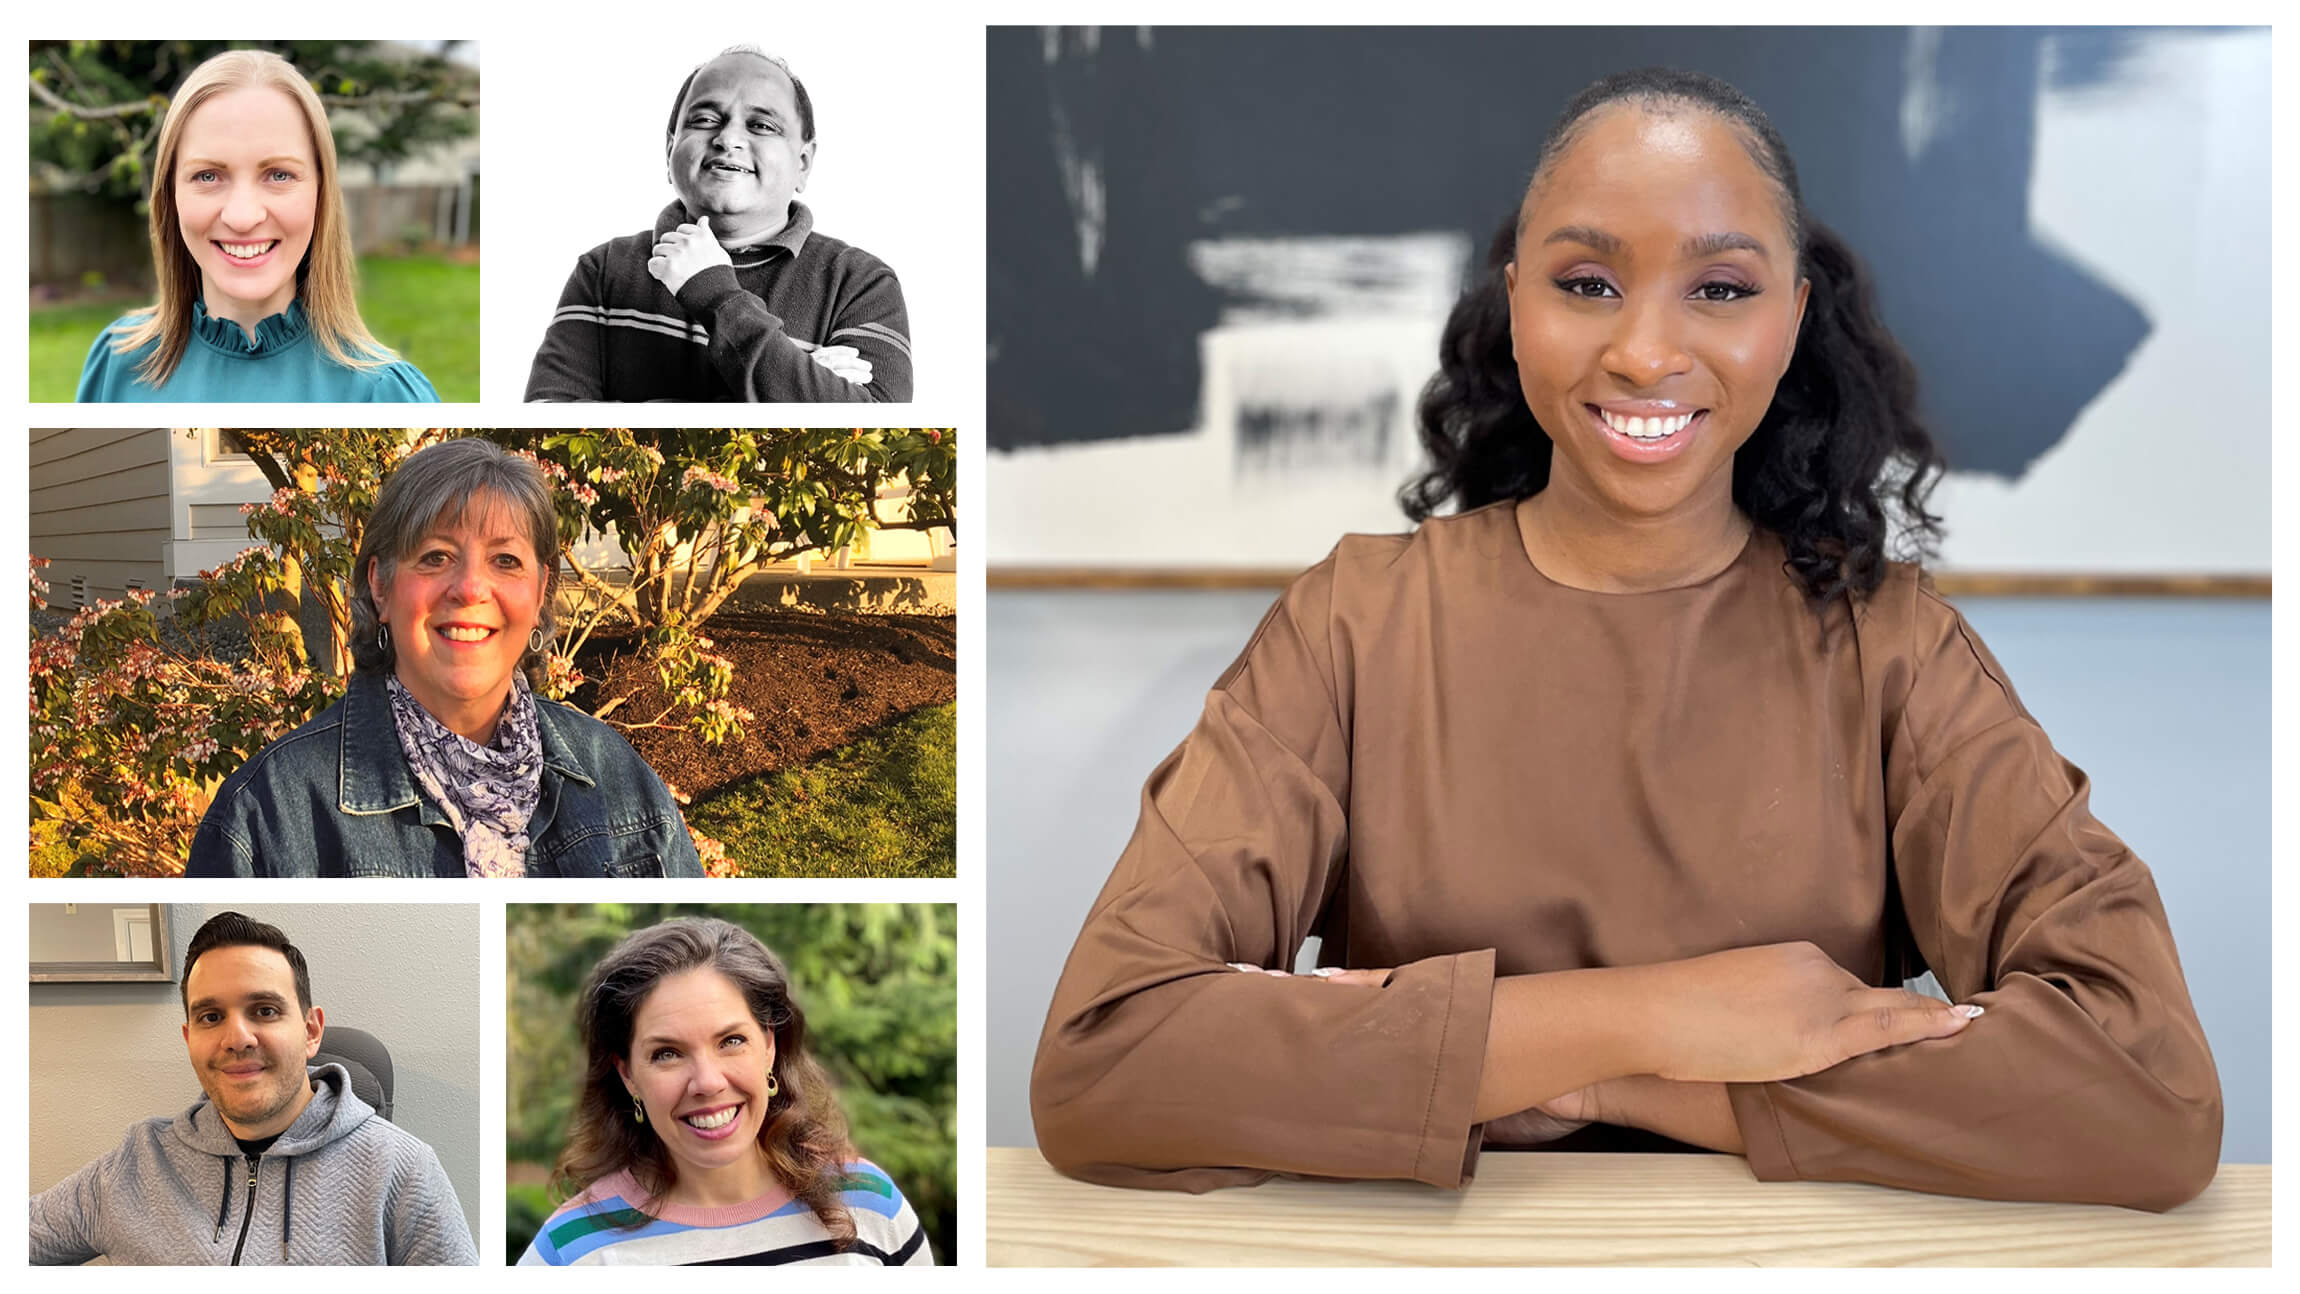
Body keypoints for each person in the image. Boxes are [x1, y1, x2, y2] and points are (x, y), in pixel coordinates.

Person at [1030, 68, 2223, 1211]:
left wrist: (1593, 1077)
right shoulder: (1356, 621)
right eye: (1587, 283)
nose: (1645, 352)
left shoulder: (1892, 646)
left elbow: (2144, 1089)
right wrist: (1678, 1012)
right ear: (1515, 301)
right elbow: (1108, 1058)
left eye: (1719, 289)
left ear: (1794, 315)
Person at [187, 438, 703, 877]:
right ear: (381, 586)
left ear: (540, 592)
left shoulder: (617, 777)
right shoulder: (267, 815)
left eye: (506, 561)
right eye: (436, 557)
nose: (472, 587)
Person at [30, 911, 477, 1265]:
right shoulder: (136, 1165)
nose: (237, 1038)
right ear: (190, 1040)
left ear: (311, 1031)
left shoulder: (402, 1170)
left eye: (263, 1010)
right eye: (210, 1017)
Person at [519, 917, 933, 1265]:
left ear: (768, 1045)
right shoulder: (570, 1252)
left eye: (731, 1041)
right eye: (667, 1053)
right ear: (628, 1075)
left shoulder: (867, 1202)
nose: (708, 1082)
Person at [524, 46, 911, 402]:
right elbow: (551, 414)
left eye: (761, 125)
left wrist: (714, 294)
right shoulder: (604, 270)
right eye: (706, 119)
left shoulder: (862, 283)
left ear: (803, 163)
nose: (728, 139)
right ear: (670, 148)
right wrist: (799, 386)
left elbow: (876, 432)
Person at [74, 49, 439, 403]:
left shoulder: (387, 395)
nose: (243, 216)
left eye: (279, 174)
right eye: (207, 175)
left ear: (321, 192)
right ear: (170, 194)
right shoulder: (116, 364)